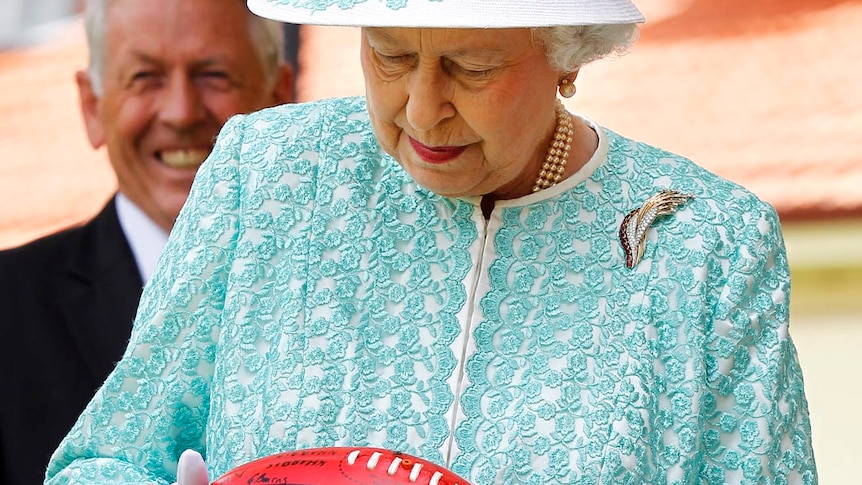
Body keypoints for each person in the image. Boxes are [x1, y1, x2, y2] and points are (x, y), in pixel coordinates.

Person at [46, 0, 818, 483]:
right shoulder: (268, 173)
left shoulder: (707, 246)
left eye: (469, 68)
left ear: (567, 53)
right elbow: (104, 458)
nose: (421, 109)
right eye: (390, 55)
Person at [0, 0, 293, 483]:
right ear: (91, 106)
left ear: (280, 100)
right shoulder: (5, 312)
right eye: (144, 77)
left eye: (213, 74)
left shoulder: (340, 301)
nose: (180, 112)